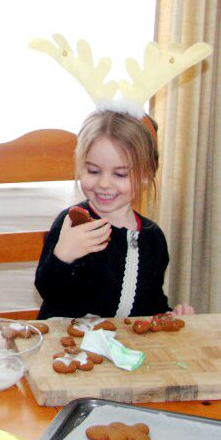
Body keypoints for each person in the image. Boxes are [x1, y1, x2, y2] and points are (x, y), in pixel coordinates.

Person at [34, 110, 194, 319]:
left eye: (120, 174)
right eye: (93, 171)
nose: (104, 184)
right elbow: (49, 292)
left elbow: (151, 302)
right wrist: (63, 256)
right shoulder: (72, 224)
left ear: (146, 175)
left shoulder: (153, 237)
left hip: (125, 349)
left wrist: (169, 315)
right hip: (67, 345)